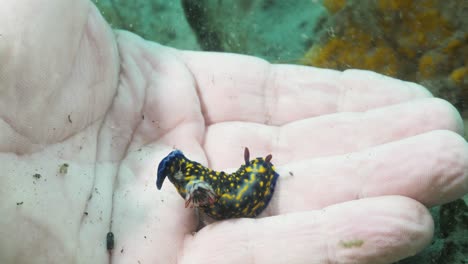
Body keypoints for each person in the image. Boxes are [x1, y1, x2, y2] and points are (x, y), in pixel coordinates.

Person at [0, 1, 466, 263]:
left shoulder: (221, 188)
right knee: (231, 180)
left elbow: (225, 186)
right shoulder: (203, 183)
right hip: (219, 188)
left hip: (227, 187)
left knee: (248, 178)